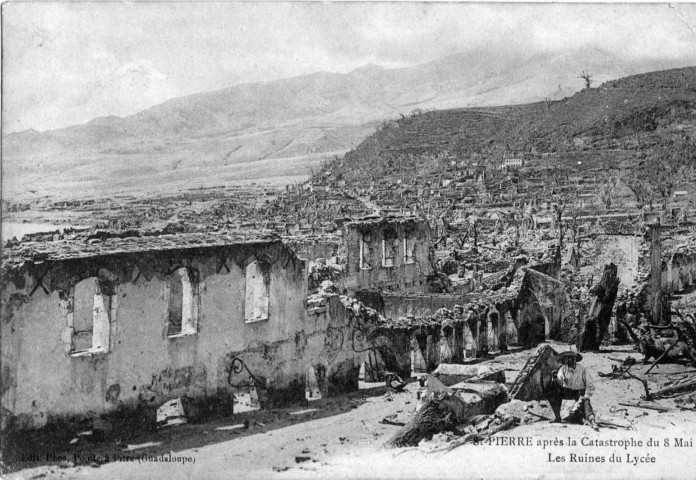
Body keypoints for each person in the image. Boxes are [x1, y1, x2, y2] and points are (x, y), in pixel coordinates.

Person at [546, 350, 599, 431]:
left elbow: (590, 384)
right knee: (552, 393)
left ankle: (592, 421)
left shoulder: (582, 369)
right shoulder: (563, 368)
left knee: (586, 402)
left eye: (572, 359)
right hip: (567, 391)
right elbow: (560, 381)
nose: (569, 361)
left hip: (580, 392)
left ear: (575, 360)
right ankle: (557, 417)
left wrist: (586, 395)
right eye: (567, 359)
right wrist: (555, 377)